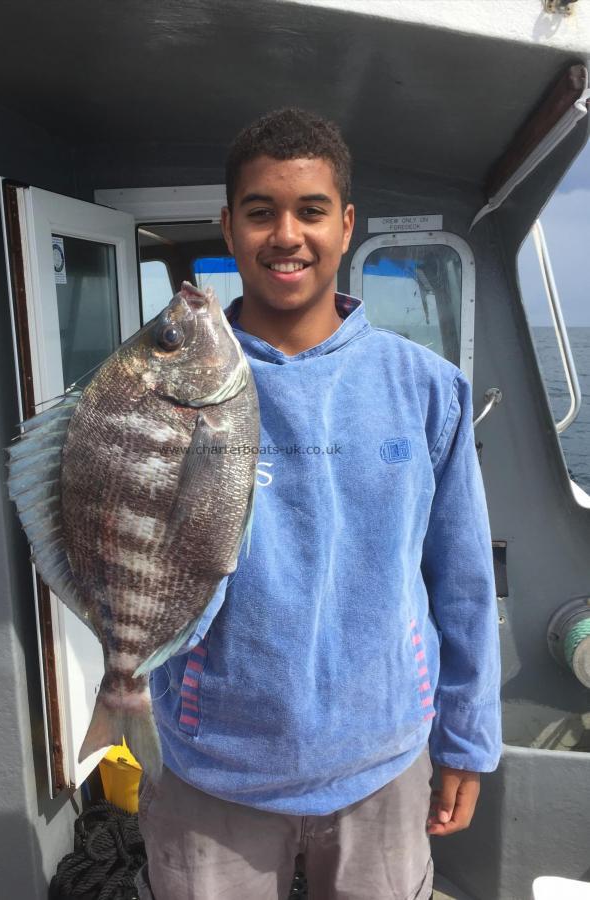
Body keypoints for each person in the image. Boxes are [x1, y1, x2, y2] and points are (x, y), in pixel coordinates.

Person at [137, 108, 501, 900]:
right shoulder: (162, 385)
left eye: (308, 211)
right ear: (228, 227)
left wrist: (466, 742)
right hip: (210, 765)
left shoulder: (424, 386)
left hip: (384, 758)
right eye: (261, 212)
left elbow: (462, 580)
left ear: (345, 223)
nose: (285, 235)